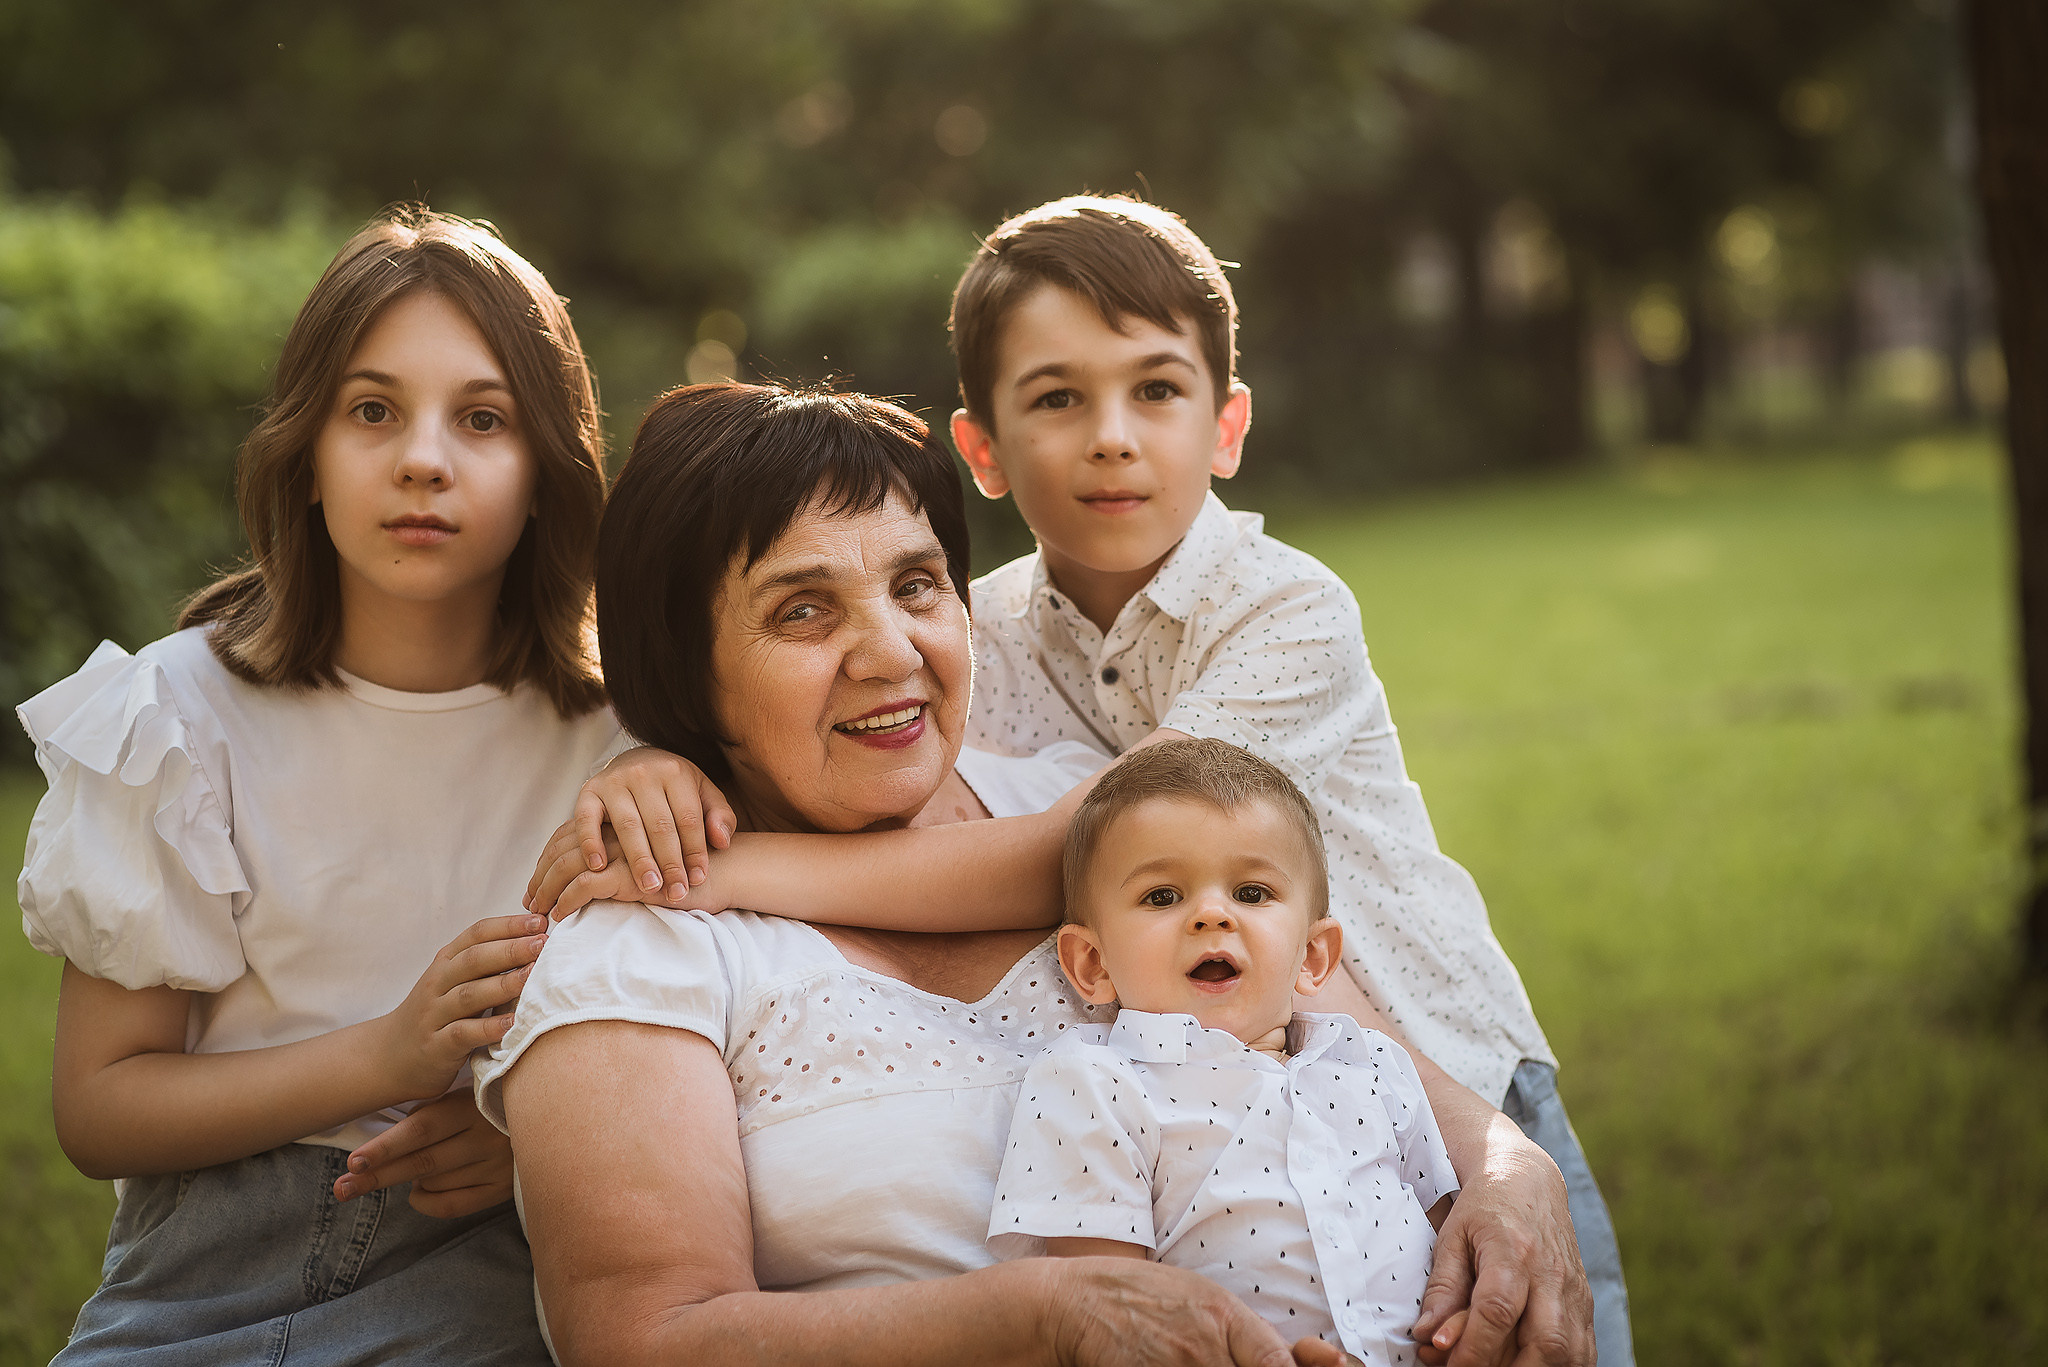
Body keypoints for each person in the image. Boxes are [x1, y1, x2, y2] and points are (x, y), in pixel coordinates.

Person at [526, 197, 1608, 1364]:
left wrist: (1508, 1159)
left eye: (915, 585)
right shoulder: (651, 936)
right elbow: (639, 1333)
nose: (893, 649)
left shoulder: (1175, 723)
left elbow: (1143, 898)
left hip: (1460, 1067)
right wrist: (651, 761)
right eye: (801, 608)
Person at [14, 206, 618, 1364]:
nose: (422, 459)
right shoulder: (180, 713)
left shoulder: (622, 732)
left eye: (482, 418)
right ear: (305, 454)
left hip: (499, 1256)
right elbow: (99, 1108)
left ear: (547, 467)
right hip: (205, 1277)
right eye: (372, 410)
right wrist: (386, 1055)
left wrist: (531, 1138)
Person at [990, 738, 1460, 1367]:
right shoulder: (1095, 1080)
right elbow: (1111, 1311)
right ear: (1093, 964)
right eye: (1163, 896)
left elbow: (1445, 1233)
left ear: (1313, 956)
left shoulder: (1371, 1063)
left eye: (1252, 893)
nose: (1212, 914)